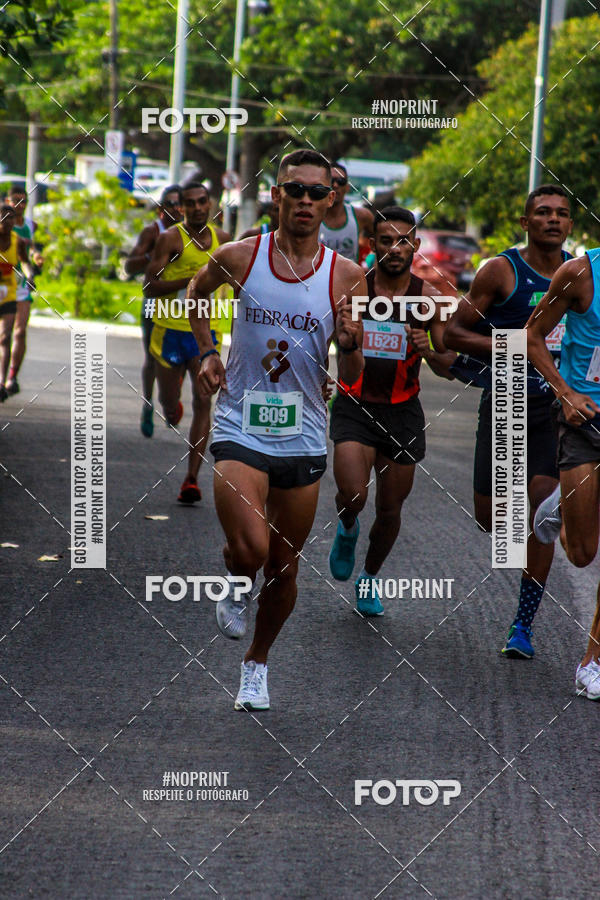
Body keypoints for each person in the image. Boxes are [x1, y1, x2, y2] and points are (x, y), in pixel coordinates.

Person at [188, 148, 365, 710]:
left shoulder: (348, 277)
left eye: (318, 192)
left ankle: (256, 664)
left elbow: (354, 372)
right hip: (242, 422)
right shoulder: (241, 256)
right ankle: (238, 577)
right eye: (296, 190)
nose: (307, 201)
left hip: (306, 434)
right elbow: (196, 295)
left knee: (285, 569)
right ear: (277, 195)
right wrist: (209, 352)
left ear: (331, 199)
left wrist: (352, 346)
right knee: (251, 548)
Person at [444, 184, 573, 659]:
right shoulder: (501, 271)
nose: (552, 220)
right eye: (542, 212)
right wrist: (512, 344)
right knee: (490, 517)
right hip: (507, 402)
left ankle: (523, 626)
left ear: (570, 225)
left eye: (561, 213)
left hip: (555, 412)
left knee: (540, 513)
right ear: (525, 222)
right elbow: (454, 332)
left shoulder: (579, 275)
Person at [328, 206, 456, 615]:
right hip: (355, 404)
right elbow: (335, 344)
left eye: (404, 240)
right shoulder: (356, 289)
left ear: (416, 246)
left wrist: (430, 351)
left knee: (389, 509)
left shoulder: (429, 299)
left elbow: (448, 364)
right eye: (386, 240)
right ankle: (347, 527)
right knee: (353, 495)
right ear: (372, 244)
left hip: (403, 411)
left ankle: (369, 577)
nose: (395, 248)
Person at [528, 249, 600, 699]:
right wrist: (566, 392)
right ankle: (560, 507)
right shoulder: (580, 275)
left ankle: (592, 660)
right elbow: (531, 336)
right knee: (581, 553)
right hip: (586, 419)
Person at [144, 180, 230, 502]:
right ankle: (169, 405)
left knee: (203, 401)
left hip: (205, 333)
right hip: (169, 329)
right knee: (170, 404)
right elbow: (149, 286)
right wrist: (192, 280)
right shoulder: (170, 239)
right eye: (189, 203)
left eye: (201, 202)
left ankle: (191, 478)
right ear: (182, 207)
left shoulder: (222, 240)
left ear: (209, 204)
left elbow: (233, 281)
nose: (196, 207)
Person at [125, 185, 183, 437]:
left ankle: (170, 404)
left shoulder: (190, 233)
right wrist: (155, 256)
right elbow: (129, 266)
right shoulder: (153, 232)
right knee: (152, 358)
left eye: (181, 204)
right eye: (171, 204)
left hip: (181, 305)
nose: (177, 209)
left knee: (179, 361)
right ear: (161, 209)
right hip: (154, 301)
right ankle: (148, 404)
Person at [3, 184, 40, 395]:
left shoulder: (30, 226)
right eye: (15, 200)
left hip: (20, 286)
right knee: (3, 335)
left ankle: (11, 377)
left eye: (23, 201)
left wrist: (34, 265)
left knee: (19, 331)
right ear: (7, 202)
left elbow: (32, 250)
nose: (19, 205)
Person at [0, 204, 33, 401]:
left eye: (11, 218)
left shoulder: (17, 241)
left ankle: (2, 382)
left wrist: (30, 276)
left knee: (5, 337)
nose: (8, 221)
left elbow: (26, 262)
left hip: (9, 294)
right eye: (4, 217)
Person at [319, 162, 373, 261]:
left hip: (349, 276)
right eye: (331, 180)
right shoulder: (312, 215)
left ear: (347, 187)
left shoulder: (361, 216)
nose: (335, 185)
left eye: (341, 181)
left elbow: (383, 242)